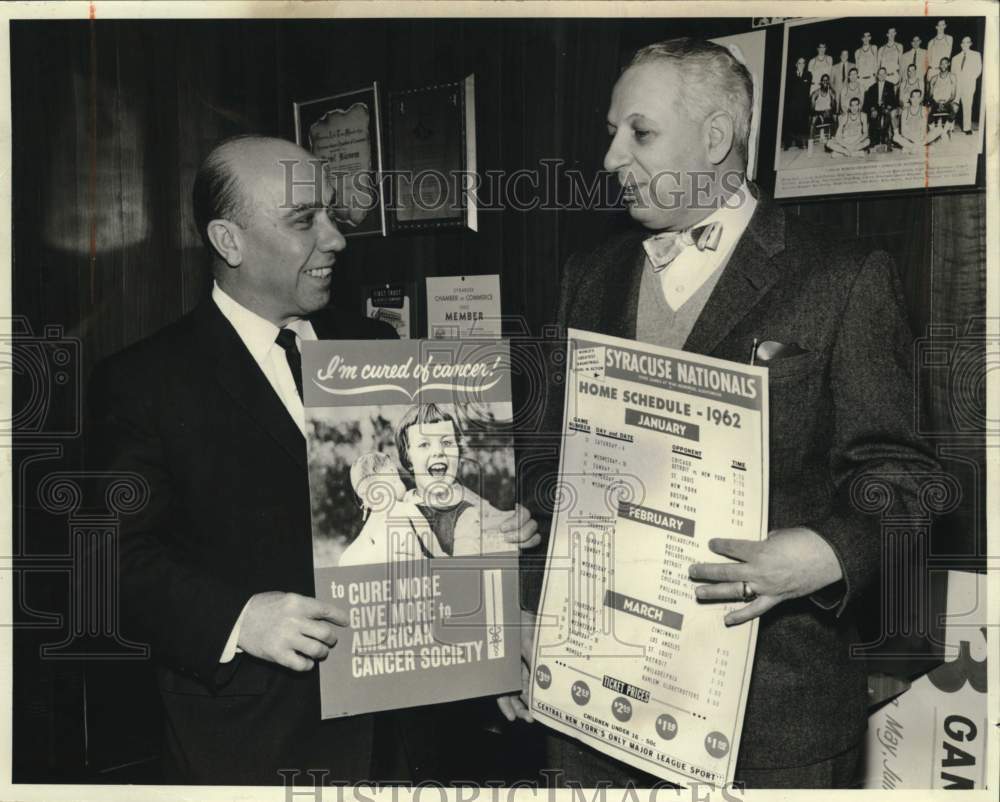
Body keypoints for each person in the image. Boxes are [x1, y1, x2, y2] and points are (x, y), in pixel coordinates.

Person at [528, 36, 938, 789]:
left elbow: (904, 483)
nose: (613, 157)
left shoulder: (843, 278)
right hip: (592, 703)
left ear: (715, 139)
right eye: (612, 132)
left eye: (640, 133)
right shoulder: (589, 276)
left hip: (767, 721)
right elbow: (551, 457)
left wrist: (826, 552)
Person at [87, 135, 540, 784]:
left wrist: (491, 572)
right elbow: (110, 564)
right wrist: (240, 619)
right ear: (229, 241)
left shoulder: (376, 345)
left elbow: (411, 522)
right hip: (255, 747)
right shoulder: (144, 382)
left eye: (330, 214)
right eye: (305, 221)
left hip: (405, 738)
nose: (335, 239)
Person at [394, 403, 513, 557]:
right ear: (408, 458)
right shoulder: (401, 506)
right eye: (424, 444)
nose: (438, 452)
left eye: (447, 443)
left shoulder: (466, 508)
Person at [339, 451, 446, 566]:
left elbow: (351, 555)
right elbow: (431, 543)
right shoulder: (404, 508)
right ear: (392, 474)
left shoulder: (369, 526)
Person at [953, 36, 982, 135]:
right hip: (957, 85)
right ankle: (950, 126)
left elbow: (978, 69)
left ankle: (967, 128)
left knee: (967, 106)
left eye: (967, 42)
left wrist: (970, 78)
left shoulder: (976, 55)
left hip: (969, 85)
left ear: (970, 44)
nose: (965, 44)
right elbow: (953, 73)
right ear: (961, 44)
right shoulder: (955, 58)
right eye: (963, 42)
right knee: (954, 105)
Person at [783, 56, 812, 149]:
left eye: (803, 63)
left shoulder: (808, 75)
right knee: (791, 122)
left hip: (803, 103)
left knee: (801, 123)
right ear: (796, 64)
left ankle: (799, 142)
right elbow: (789, 89)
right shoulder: (790, 75)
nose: (801, 65)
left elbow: (805, 88)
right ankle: (788, 143)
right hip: (792, 103)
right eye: (799, 63)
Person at [864, 66, 897, 147]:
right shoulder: (872, 87)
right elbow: (869, 102)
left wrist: (887, 108)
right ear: (877, 75)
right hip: (875, 108)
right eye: (880, 74)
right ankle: (874, 140)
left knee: (886, 115)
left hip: (886, 108)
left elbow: (893, 100)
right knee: (873, 116)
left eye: (883, 74)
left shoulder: (890, 86)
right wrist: (872, 109)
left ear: (886, 75)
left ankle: (884, 139)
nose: (881, 76)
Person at [929, 56, 959, 131]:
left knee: (955, 107)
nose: (943, 65)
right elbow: (930, 95)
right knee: (927, 109)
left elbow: (953, 95)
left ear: (949, 64)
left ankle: (944, 132)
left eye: (945, 63)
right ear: (939, 65)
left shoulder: (952, 77)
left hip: (947, 102)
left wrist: (944, 103)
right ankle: (933, 131)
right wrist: (937, 103)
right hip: (936, 102)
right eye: (941, 64)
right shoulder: (934, 78)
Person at [809, 73, 837, 141]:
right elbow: (812, 108)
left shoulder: (831, 92)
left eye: (827, 80)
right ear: (821, 82)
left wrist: (833, 99)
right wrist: (818, 114)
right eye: (823, 80)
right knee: (813, 119)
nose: (825, 82)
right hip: (817, 112)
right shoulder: (816, 92)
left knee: (835, 117)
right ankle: (810, 140)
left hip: (827, 112)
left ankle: (834, 139)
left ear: (829, 82)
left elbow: (834, 107)